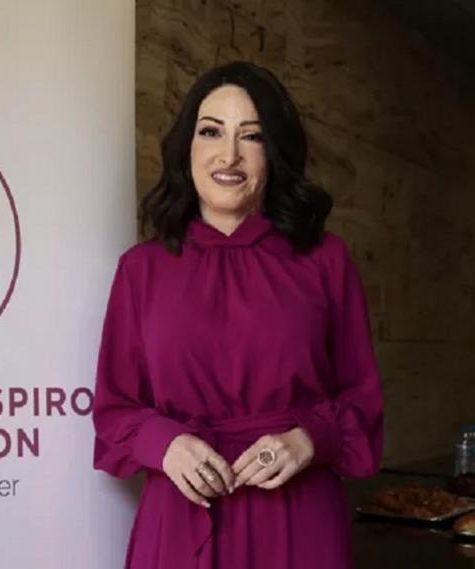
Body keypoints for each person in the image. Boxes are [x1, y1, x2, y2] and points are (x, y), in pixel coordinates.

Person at [91, 61, 383, 569]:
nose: (229, 155)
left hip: (298, 522)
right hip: (180, 517)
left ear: (275, 153)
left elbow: (362, 399)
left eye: (252, 136)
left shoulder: (325, 260)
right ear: (186, 147)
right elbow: (114, 408)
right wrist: (165, 445)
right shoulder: (141, 269)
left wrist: (309, 440)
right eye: (211, 131)